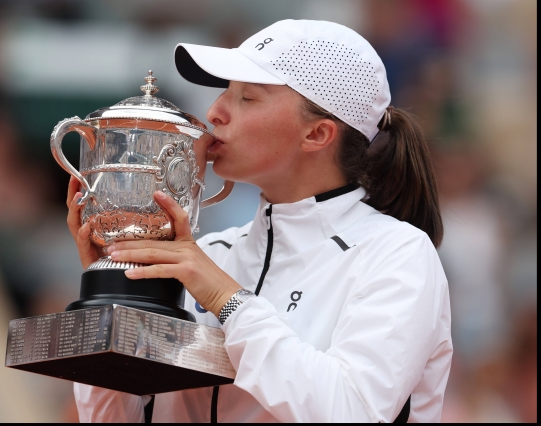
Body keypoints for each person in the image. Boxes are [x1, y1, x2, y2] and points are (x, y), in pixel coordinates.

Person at [66, 20, 452, 423]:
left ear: (317, 134)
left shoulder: (397, 253)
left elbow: (354, 412)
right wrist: (111, 294)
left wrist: (229, 302)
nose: (215, 112)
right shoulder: (209, 255)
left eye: (247, 97)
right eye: (224, 92)